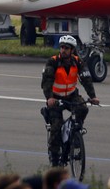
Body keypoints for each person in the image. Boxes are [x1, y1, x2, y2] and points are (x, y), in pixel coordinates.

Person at [41, 35, 99, 166]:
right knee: (56, 127)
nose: (63, 50)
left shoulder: (78, 62)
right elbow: (46, 82)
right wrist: (49, 97)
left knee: (82, 108)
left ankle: (76, 134)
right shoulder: (53, 62)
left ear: (72, 50)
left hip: (71, 95)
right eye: (61, 47)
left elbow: (86, 80)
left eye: (66, 48)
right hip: (55, 97)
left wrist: (93, 96)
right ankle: (55, 158)